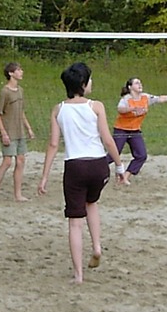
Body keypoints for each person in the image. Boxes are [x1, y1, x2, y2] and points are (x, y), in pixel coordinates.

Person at [38, 62, 125, 283]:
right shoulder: (96, 106)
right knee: (92, 203)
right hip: (98, 165)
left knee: (75, 222)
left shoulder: (59, 109)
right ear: (83, 84)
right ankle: (96, 247)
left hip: (75, 166)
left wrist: (45, 176)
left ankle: (78, 275)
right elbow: (107, 139)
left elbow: (53, 144)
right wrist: (119, 166)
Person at [113, 77, 167, 182]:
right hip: (121, 129)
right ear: (130, 87)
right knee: (113, 154)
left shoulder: (145, 97)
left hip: (135, 130)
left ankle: (125, 177)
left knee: (141, 155)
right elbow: (120, 109)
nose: (140, 85)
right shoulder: (126, 99)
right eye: (137, 83)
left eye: (140, 83)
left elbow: (160, 98)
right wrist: (131, 108)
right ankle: (95, 170)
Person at [0, 62, 35, 203]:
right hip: (9, 132)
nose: (21, 72)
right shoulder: (5, 91)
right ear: (11, 73)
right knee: (7, 162)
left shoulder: (20, 90)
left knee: (21, 161)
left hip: (20, 132)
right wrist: (3, 133)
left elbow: (21, 112)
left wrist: (28, 128)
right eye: (18, 70)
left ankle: (18, 194)